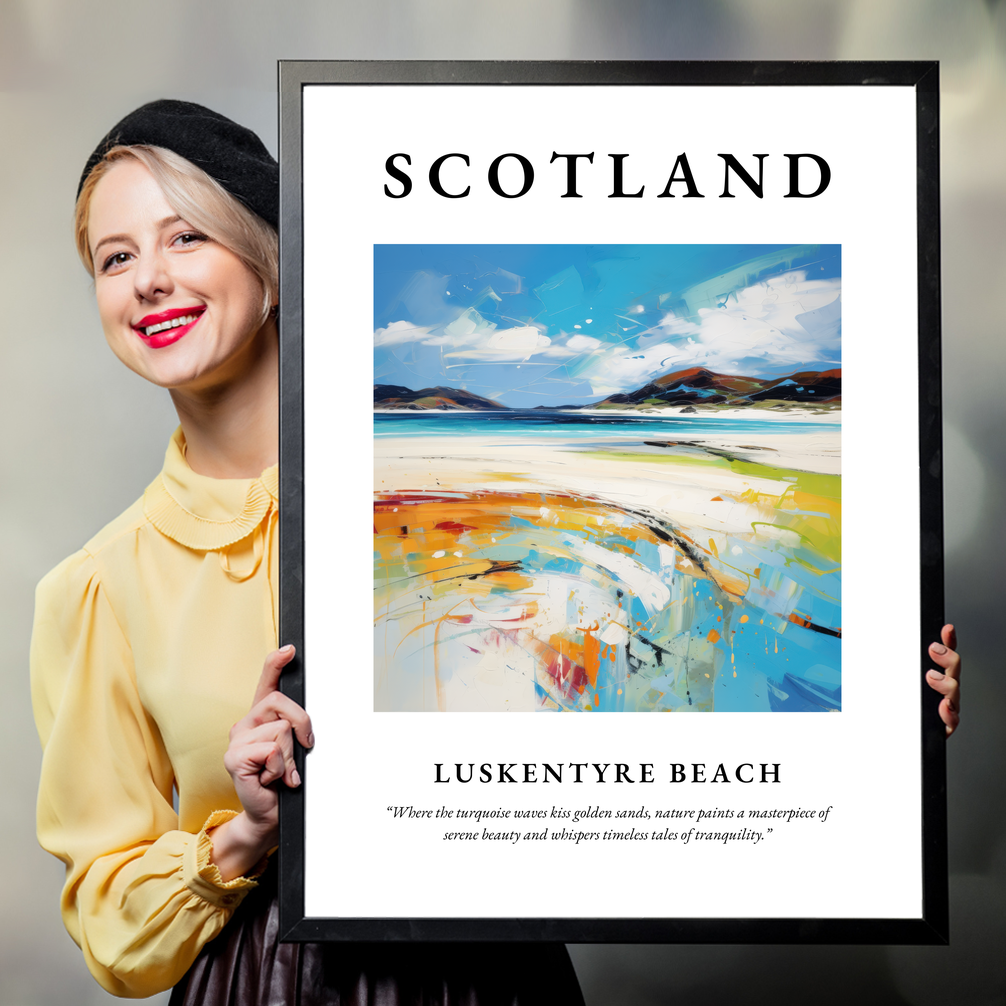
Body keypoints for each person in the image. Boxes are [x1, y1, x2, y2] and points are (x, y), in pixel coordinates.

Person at [30, 100, 586, 1004]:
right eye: (116, 257)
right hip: (262, 982)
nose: (148, 281)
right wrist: (245, 832)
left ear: (273, 263)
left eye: (185, 238)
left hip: (492, 973)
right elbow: (110, 923)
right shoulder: (97, 587)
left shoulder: (461, 498)